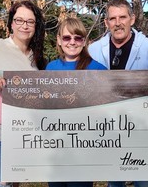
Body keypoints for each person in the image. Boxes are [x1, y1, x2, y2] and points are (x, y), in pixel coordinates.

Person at [88, 0, 148, 187]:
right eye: (113, 18)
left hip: (143, 131)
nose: (118, 23)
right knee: (115, 183)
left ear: (132, 19)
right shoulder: (93, 50)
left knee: (145, 184)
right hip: (109, 132)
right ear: (106, 23)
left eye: (122, 17)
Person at [0, 0, 46, 187]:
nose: (24, 25)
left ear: (35, 26)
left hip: (21, 135)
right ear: (11, 23)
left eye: (30, 21)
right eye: (19, 20)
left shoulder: (37, 59)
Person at [46, 17, 106, 187]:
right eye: (66, 37)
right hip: (55, 149)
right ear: (58, 40)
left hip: (84, 150)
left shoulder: (98, 69)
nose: (72, 42)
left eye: (77, 38)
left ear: (84, 41)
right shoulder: (50, 68)